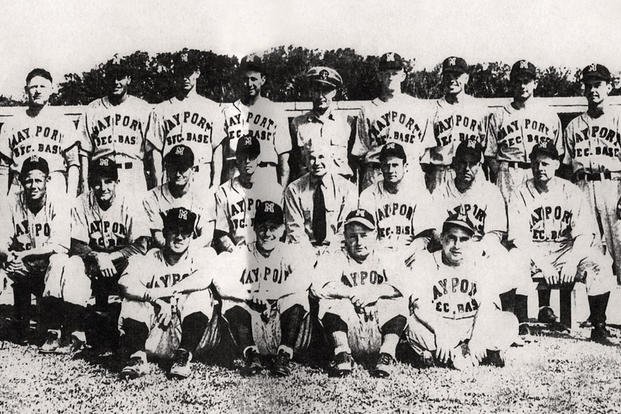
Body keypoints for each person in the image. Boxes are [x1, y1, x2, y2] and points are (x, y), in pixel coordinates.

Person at [39, 157, 151, 353]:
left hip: (121, 263)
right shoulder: (81, 202)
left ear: (117, 182)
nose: (103, 187)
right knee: (73, 262)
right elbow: (75, 244)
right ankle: (76, 331)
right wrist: (98, 257)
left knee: (139, 263)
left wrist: (112, 257)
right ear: (91, 184)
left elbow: (141, 246)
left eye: (108, 181)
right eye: (97, 182)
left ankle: (134, 331)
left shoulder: (131, 201)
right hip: (95, 264)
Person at [508, 142, 614, 343]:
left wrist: (572, 261)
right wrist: (544, 264)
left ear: (557, 164)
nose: (540, 168)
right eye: (537, 163)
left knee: (599, 262)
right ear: (531, 164)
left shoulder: (571, 190)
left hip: (565, 252)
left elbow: (584, 234)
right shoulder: (519, 192)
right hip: (534, 252)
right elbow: (519, 237)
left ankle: (599, 325)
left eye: (546, 163)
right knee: (513, 258)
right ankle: (521, 323)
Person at [117, 207, 229, 379]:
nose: (179, 237)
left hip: (193, 337)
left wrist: (169, 295)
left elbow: (204, 279)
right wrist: (156, 299)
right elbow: (125, 284)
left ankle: (183, 357)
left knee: (199, 294)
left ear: (192, 236)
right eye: (173, 230)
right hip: (156, 334)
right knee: (133, 300)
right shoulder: (151, 257)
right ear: (164, 233)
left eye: (185, 232)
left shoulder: (201, 255)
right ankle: (137, 357)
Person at [404, 213, 519, 370]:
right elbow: (419, 305)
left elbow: (487, 305)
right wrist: (441, 332)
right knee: (412, 325)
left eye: (464, 239)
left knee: (509, 321)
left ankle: (443, 355)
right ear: (442, 238)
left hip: (471, 324)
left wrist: (477, 337)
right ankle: (483, 354)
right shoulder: (425, 261)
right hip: (439, 324)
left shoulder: (481, 263)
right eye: (452, 238)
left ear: (471, 241)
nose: (457, 245)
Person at [218, 201, 314, 377]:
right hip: (250, 327)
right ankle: (251, 356)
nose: (267, 233)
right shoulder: (242, 253)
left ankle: (284, 355)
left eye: (273, 227)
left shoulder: (291, 252)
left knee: (298, 296)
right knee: (230, 299)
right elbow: (221, 282)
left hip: (283, 325)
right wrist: (249, 294)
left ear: (283, 229)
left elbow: (304, 279)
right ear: (254, 228)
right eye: (262, 227)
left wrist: (269, 294)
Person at [312, 209, 409, 378]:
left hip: (379, 331)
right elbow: (316, 288)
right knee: (331, 301)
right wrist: (350, 293)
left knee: (397, 300)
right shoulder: (334, 257)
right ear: (345, 236)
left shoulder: (386, 255)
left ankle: (386, 355)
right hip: (347, 331)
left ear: (375, 235)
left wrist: (375, 292)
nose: (358, 242)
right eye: (352, 236)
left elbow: (406, 285)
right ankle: (342, 355)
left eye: (364, 235)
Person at [0, 156, 70, 345]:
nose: (33, 185)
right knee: (5, 263)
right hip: (22, 266)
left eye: (38, 180)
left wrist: (23, 255)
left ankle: (53, 328)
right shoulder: (11, 201)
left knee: (60, 261)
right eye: (28, 180)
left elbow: (61, 245)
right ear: (21, 181)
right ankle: (20, 320)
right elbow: (2, 239)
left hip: (48, 269)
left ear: (47, 180)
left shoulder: (59, 201)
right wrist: (10, 255)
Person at [563, 63, 621, 280]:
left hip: (613, 186)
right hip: (583, 187)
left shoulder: (618, 119)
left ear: (610, 87)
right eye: (588, 85)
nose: (593, 90)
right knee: (588, 250)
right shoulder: (573, 126)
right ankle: (597, 315)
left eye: (598, 84)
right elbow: (567, 167)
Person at [485, 60, 563, 201]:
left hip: (538, 173)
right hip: (509, 172)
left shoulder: (548, 115)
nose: (522, 86)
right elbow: (490, 154)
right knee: (509, 218)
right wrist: (502, 173)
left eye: (526, 81)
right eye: (517, 81)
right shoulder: (500, 115)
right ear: (511, 83)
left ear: (535, 83)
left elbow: (559, 153)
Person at [77, 57, 155, 197]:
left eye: (120, 77)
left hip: (133, 174)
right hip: (101, 176)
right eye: (112, 77)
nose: (116, 82)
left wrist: (154, 183)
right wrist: (84, 183)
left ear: (129, 79)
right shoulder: (92, 109)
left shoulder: (142, 108)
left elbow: (152, 152)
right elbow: (84, 151)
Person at [148, 53, 226, 189]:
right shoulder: (161, 110)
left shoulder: (212, 108)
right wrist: (158, 185)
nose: (185, 77)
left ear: (197, 72)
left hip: (201, 174)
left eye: (188, 72)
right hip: (172, 176)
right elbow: (156, 151)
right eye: (180, 72)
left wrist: (215, 184)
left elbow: (217, 149)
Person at [0, 68, 80, 196]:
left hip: (53, 184)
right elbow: (3, 168)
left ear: (51, 89)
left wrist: (70, 197)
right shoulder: (12, 123)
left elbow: (74, 163)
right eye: (33, 87)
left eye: (42, 86)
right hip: (20, 186)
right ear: (26, 90)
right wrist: (2, 198)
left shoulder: (63, 121)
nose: (38, 91)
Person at [360, 52, 434, 189]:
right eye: (386, 73)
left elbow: (426, 153)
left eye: (394, 73)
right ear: (379, 76)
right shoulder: (368, 109)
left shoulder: (418, 107)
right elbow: (361, 151)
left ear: (403, 76)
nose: (390, 77)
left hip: (409, 171)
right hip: (377, 172)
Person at [221, 55, 291, 185]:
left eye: (253, 79)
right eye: (245, 79)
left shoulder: (275, 111)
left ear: (263, 80)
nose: (249, 84)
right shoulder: (228, 111)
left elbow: (284, 161)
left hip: (265, 175)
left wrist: (280, 192)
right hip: (234, 175)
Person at [422, 57, 489, 194]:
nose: (452, 80)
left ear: (466, 78)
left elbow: (486, 148)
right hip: (442, 171)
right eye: (447, 76)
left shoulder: (479, 108)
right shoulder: (432, 109)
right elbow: (426, 151)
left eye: (457, 75)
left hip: (471, 172)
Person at [290, 66, 364, 180]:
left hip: (339, 189)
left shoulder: (347, 122)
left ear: (334, 92)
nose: (320, 96)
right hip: (308, 188)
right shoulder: (298, 124)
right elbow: (294, 163)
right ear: (310, 91)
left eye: (325, 91)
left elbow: (354, 161)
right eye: (316, 90)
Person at [359, 142, 433, 254]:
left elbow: (424, 236)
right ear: (380, 168)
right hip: (379, 254)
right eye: (386, 165)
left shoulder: (419, 194)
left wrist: (409, 251)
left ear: (405, 166)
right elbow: (367, 236)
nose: (390, 170)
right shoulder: (368, 195)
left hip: (410, 253)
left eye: (395, 165)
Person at [284, 142, 358, 250]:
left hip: (336, 250)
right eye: (312, 158)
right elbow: (295, 230)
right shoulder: (294, 189)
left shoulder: (348, 189)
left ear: (331, 157)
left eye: (321, 157)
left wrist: (328, 255)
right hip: (304, 249)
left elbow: (345, 230)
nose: (317, 163)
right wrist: (309, 254)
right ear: (306, 161)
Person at [214, 135, 283, 252]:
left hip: (266, 251)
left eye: (252, 156)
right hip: (237, 252)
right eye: (243, 156)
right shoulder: (223, 191)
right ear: (236, 158)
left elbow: (280, 230)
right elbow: (221, 233)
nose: (247, 161)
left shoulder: (274, 190)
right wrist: (234, 253)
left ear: (259, 158)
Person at [143, 144, 215, 249]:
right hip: (164, 255)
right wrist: (175, 251)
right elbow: (157, 236)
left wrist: (185, 250)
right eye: (173, 168)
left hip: (193, 253)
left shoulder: (203, 196)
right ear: (166, 168)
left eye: (182, 169)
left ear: (193, 169)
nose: (177, 174)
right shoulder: (152, 197)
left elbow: (207, 236)